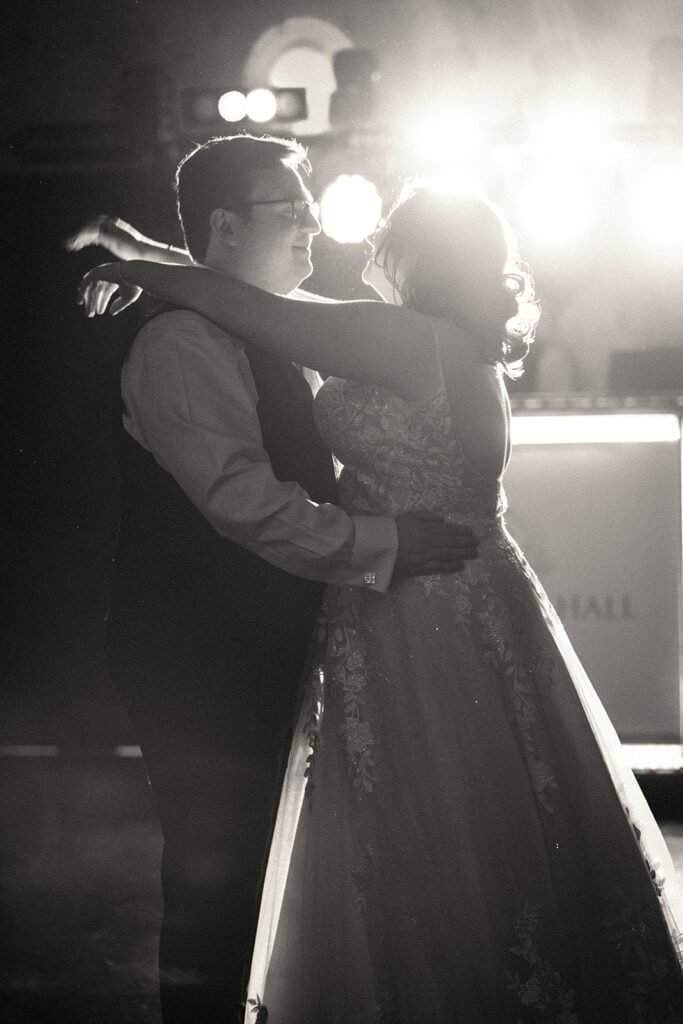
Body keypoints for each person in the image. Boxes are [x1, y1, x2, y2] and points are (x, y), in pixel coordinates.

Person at [79, 181, 683, 1023]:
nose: (362, 251)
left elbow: (255, 308)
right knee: (497, 807)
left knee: (434, 823)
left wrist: (134, 259)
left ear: (416, 256)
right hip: (476, 595)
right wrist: (156, 261)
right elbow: (261, 304)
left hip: (416, 608)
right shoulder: (447, 342)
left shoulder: (395, 338)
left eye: (384, 238)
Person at [69, 135, 479, 1024]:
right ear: (225, 225)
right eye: (288, 210)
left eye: (306, 208)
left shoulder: (272, 317)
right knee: (217, 874)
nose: (310, 227)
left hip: (265, 638)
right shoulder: (180, 342)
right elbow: (242, 502)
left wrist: (150, 260)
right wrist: (383, 542)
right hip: (196, 655)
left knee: (277, 868)